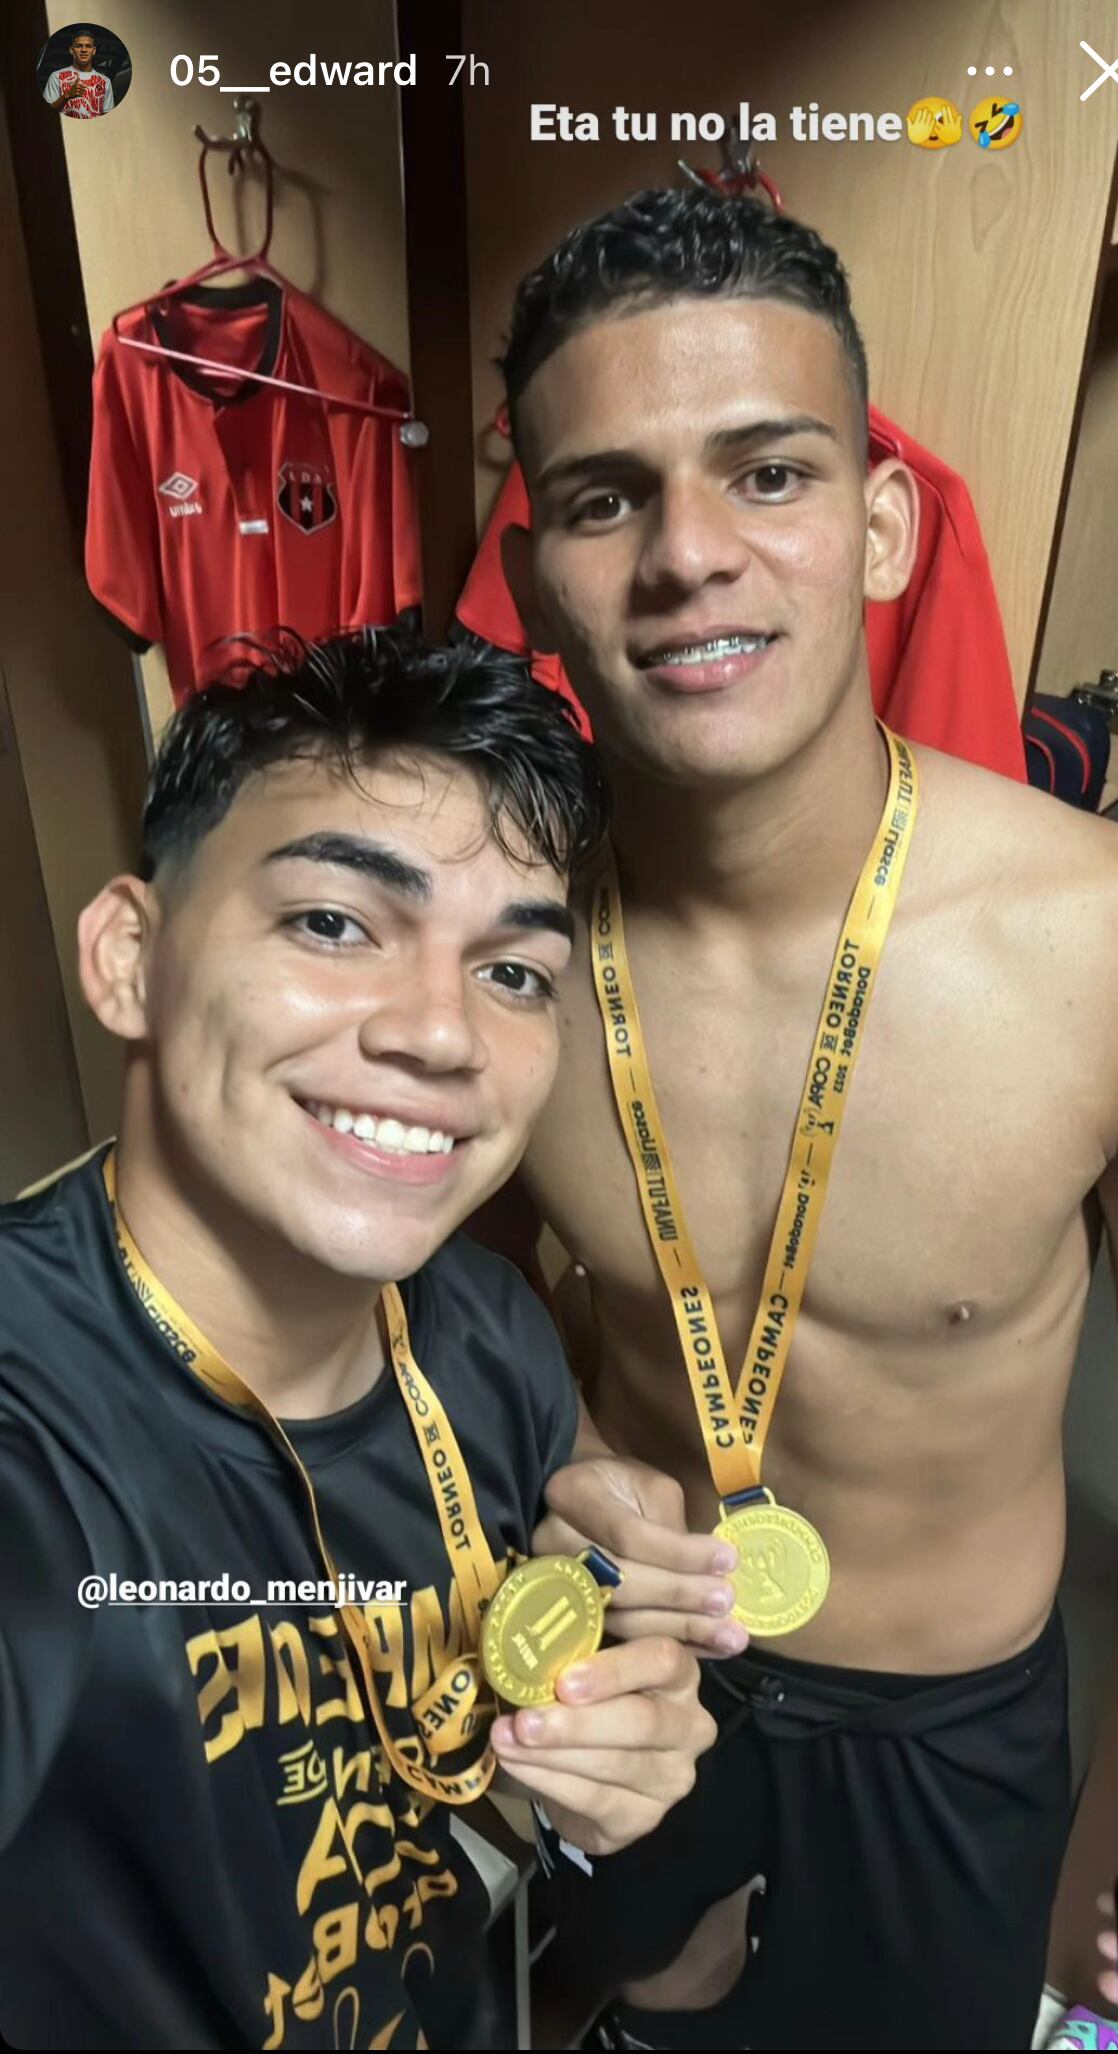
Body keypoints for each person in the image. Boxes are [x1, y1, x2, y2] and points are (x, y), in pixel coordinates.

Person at [470, 188, 1118, 2050]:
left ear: (878, 523)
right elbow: (438, 1329)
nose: (689, 554)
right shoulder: (497, 947)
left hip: (941, 1715)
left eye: (767, 471)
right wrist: (548, 1484)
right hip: (631, 1659)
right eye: (609, 496)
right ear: (540, 570)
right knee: (600, 2001)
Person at [0, 626, 714, 2052]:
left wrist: (621, 1694)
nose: (442, 1034)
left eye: (513, 971)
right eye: (334, 921)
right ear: (129, 956)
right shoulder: (36, 1432)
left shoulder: (487, 1330)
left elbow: (580, 1524)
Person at [43, 30, 114, 119]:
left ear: (94, 50)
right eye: (79, 46)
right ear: (71, 50)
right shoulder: (56, 76)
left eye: (88, 46)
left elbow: (107, 116)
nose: (84, 50)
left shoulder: (105, 81)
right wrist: (67, 96)